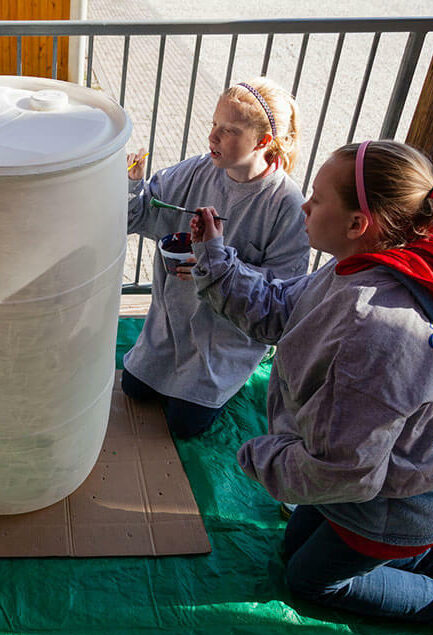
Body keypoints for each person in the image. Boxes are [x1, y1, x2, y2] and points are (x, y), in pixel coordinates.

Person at [187, 139, 433, 634]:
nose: (304, 204)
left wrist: (261, 458)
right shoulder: (363, 267)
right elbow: (277, 310)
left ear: (358, 224)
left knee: (311, 580)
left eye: (317, 196)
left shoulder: (374, 331)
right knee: (296, 546)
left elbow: (346, 470)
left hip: (401, 503)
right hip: (391, 473)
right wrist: (214, 257)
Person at [124, 77, 309, 439]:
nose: (213, 138)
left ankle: (241, 366)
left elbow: (283, 293)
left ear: (263, 141)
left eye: (229, 130)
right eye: (213, 125)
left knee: (184, 426)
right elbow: (140, 212)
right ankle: (170, 367)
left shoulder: (286, 204)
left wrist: (218, 264)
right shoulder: (199, 170)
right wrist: (132, 183)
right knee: (134, 390)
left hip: (225, 335)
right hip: (174, 320)